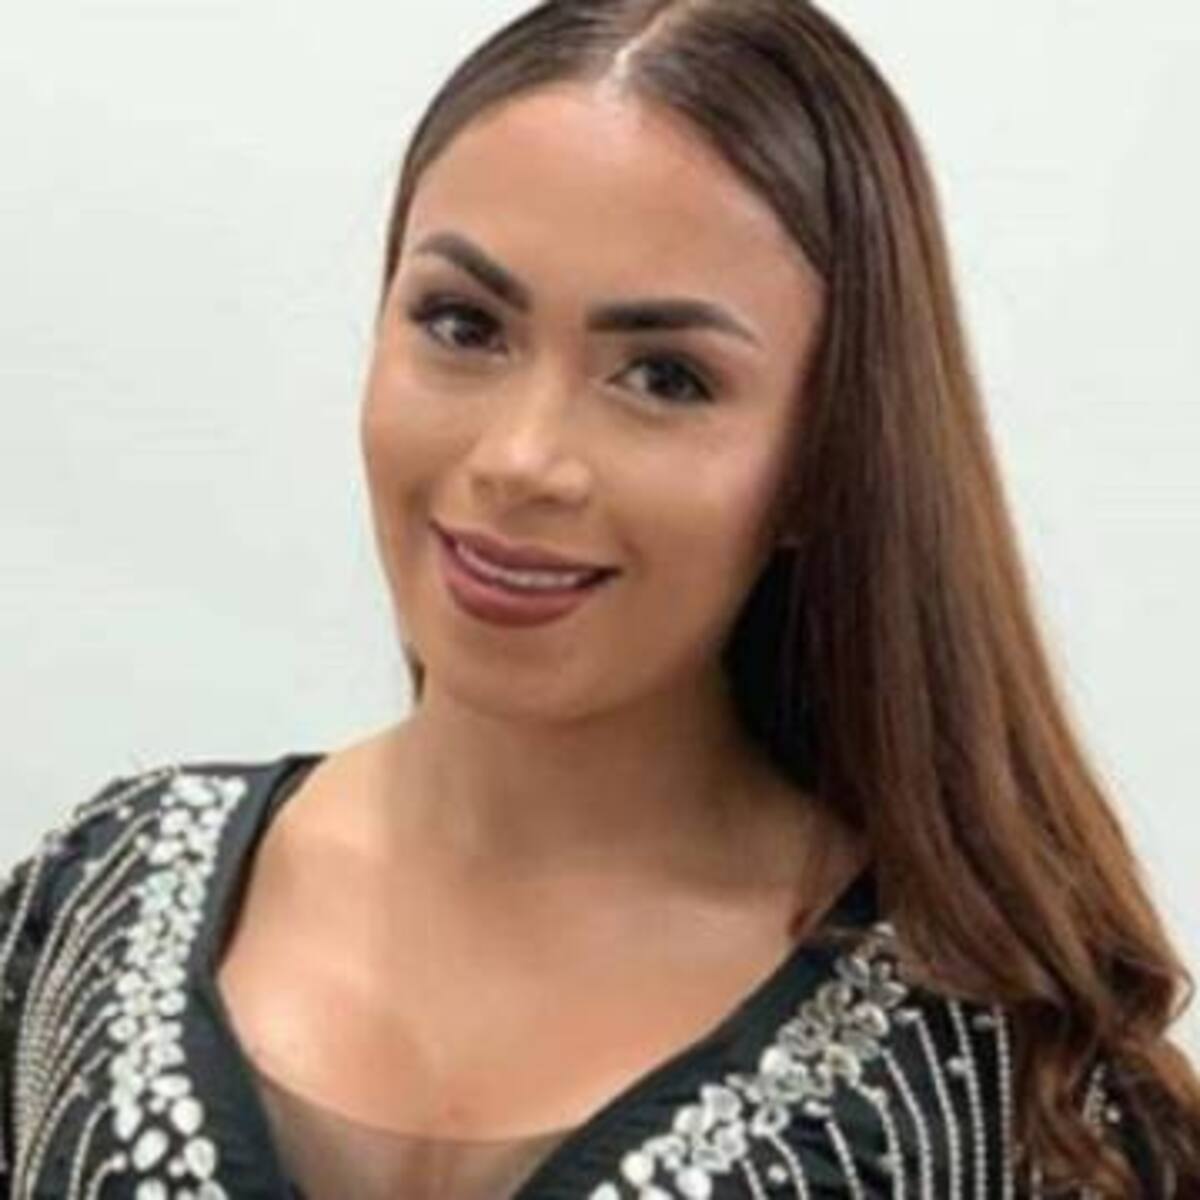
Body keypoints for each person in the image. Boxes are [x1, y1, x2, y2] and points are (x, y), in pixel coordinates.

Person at [2, 0, 1198, 1196]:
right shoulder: (97, 904)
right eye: (463, 324)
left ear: (823, 460)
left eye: (666, 378)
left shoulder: (997, 1081)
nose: (522, 458)